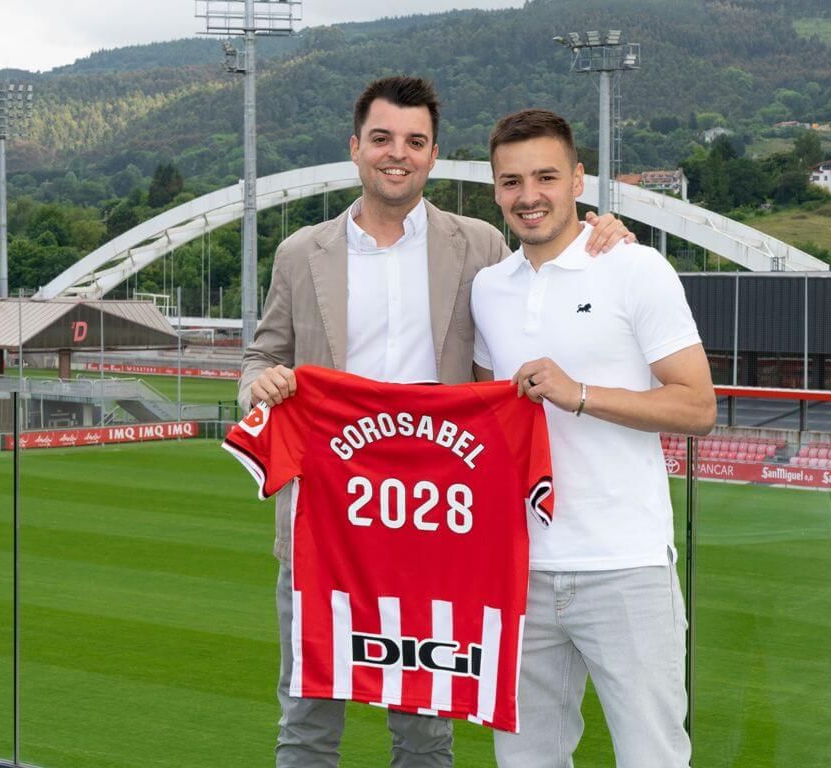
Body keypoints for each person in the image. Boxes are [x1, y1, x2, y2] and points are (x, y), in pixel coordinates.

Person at [238, 77, 631, 768]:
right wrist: (259, 385)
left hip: (434, 525)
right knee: (306, 719)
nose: (399, 155)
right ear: (355, 147)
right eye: (383, 139)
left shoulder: (477, 243)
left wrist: (602, 233)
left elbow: (547, 270)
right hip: (327, 524)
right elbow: (262, 354)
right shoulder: (303, 252)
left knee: (425, 733)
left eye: (415, 142)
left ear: (434, 154)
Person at [471, 108, 717, 768]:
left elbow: (697, 407)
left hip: (625, 567)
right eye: (511, 181)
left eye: (546, 177)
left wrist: (579, 395)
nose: (529, 197)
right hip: (520, 572)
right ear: (495, 189)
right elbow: (480, 418)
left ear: (579, 179)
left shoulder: (637, 270)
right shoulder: (488, 289)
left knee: (653, 759)